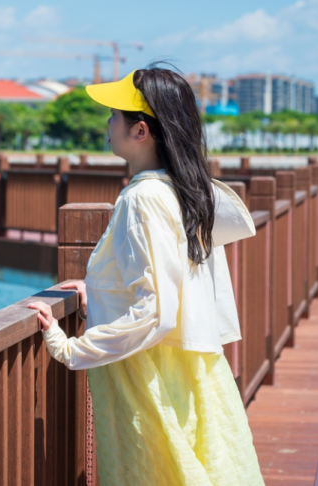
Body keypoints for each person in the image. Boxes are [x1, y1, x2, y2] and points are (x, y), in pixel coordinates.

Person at [27, 66, 265, 485]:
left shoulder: (143, 198)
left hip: (146, 375)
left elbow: (156, 310)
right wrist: (97, 290)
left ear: (140, 131)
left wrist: (73, 349)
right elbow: (172, 281)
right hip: (183, 370)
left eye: (115, 114)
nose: (108, 122)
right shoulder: (182, 190)